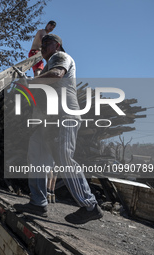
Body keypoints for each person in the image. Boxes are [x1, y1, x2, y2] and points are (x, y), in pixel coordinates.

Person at [15, 34, 103, 224]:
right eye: (42, 44)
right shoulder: (47, 66)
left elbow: (57, 75)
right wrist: (24, 86)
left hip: (64, 116)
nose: (43, 46)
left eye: (47, 43)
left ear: (58, 45)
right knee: (36, 154)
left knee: (63, 158)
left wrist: (28, 82)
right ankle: (38, 203)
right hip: (50, 120)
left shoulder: (61, 57)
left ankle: (90, 205)